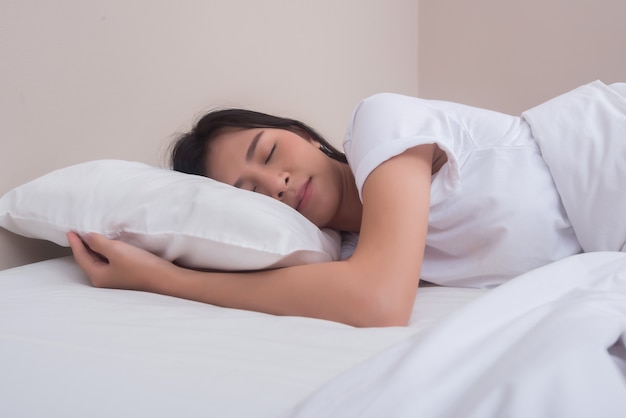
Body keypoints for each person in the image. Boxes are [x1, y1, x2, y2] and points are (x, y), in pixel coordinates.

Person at [67, 80, 626, 327]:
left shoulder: (379, 124)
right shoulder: (349, 252)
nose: (277, 182)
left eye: (269, 151)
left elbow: (379, 304)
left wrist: (165, 280)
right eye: (251, 193)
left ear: (303, 134)